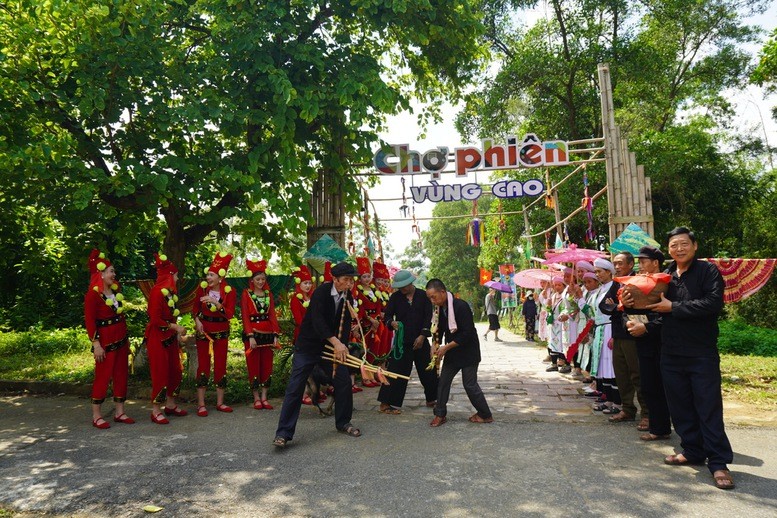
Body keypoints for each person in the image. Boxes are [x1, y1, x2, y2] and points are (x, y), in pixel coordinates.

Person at [646, 227, 734, 490]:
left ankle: (718, 463)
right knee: (680, 406)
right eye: (674, 245)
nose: (679, 249)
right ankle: (693, 450)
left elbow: (712, 304)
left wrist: (673, 307)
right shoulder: (666, 277)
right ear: (668, 249)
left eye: (684, 244)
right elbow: (655, 308)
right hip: (671, 352)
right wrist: (630, 303)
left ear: (695, 246)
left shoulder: (708, 272)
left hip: (701, 352)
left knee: (708, 407)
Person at [273, 262, 362, 447]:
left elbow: (344, 325)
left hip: (331, 348)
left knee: (343, 380)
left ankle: (343, 422)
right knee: (295, 386)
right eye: (346, 280)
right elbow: (318, 321)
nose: (349, 284)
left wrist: (342, 346)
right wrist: (336, 342)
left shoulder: (347, 295)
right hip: (308, 346)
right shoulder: (321, 293)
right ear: (335, 279)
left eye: (351, 280)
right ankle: (283, 433)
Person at [426, 278, 492, 427]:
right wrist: (434, 346)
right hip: (453, 353)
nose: (432, 300)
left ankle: (485, 414)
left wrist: (445, 348)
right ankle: (440, 414)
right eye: (429, 297)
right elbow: (438, 330)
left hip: (468, 351)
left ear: (442, 292)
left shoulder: (460, 306)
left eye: (433, 297)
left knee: (469, 384)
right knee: (443, 382)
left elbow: (467, 333)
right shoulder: (439, 309)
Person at [623, 246, 672, 441]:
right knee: (649, 383)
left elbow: (670, 313)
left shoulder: (667, 282)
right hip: (642, 339)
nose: (640, 265)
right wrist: (627, 318)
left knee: (665, 385)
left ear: (655, 263)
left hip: (663, 339)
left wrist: (649, 327)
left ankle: (668, 425)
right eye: (639, 261)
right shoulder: (636, 282)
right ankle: (658, 427)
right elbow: (627, 309)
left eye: (643, 261)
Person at [377, 269, 438, 414]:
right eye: (399, 286)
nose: (401, 289)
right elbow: (387, 316)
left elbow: (429, 317)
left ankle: (432, 398)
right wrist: (392, 323)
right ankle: (386, 403)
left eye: (404, 286)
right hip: (402, 342)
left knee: (428, 370)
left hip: (420, 341)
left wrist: (423, 336)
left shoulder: (423, 296)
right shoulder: (395, 297)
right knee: (396, 371)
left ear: (410, 283)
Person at [84, 249, 133, 429]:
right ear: (101, 273)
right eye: (111, 271)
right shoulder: (93, 295)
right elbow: (90, 322)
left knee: (121, 375)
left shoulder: (115, 291)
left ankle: (120, 412)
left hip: (120, 339)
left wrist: (126, 341)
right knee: (103, 376)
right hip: (104, 342)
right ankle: (97, 415)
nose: (114, 274)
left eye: (113, 271)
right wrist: (96, 344)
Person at [601, 251, 647, 426]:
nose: (617, 267)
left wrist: (617, 306)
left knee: (638, 374)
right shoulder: (615, 283)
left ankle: (647, 413)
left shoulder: (638, 282)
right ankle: (627, 409)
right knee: (621, 374)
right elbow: (604, 305)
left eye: (620, 263)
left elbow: (638, 305)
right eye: (615, 264)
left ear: (630, 265)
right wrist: (620, 306)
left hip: (633, 334)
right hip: (618, 334)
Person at [145, 253, 188, 424]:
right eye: (176, 275)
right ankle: (156, 410)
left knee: (175, 371)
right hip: (157, 339)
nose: (178, 279)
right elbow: (155, 319)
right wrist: (175, 327)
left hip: (170, 338)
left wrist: (176, 332)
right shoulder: (157, 292)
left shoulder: (170, 294)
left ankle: (170, 405)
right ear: (170, 276)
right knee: (160, 372)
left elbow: (171, 316)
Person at [192, 252, 236, 417]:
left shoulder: (229, 292)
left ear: (220, 277)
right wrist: (197, 321)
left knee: (220, 364)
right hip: (204, 330)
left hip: (222, 331)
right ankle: (201, 404)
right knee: (203, 365)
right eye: (207, 274)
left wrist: (217, 304)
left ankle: (220, 402)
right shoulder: (202, 288)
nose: (208, 277)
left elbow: (230, 314)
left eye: (211, 275)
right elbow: (195, 309)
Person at [242, 259, 281, 410]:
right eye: (257, 279)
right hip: (253, 335)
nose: (260, 282)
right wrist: (250, 335)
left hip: (268, 334)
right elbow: (245, 315)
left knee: (267, 365)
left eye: (263, 279)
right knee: (253, 365)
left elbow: (272, 315)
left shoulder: (268, 294)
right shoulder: (247, 294)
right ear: (252, 280)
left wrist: (276, 334)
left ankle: (265, 397)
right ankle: (256, 397)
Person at [290, 264, 320, 406]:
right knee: (303, 367)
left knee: (314, 366)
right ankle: (301, 394)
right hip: (302, 336)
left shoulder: (312, 298)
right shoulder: (296, 299)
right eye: (305, 283)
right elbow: (299, 320)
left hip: (315, 336)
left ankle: (313, 392)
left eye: (309, 283)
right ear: (299, 284)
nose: (308, 286)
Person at [353, 257, 384, 388]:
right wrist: (370, 319)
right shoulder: (358, 291)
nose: (367, 279)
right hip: (365, 324)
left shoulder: (374, 290)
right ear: (360, 278)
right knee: (364, 351)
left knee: (374, 350)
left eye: (368, 276)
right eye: (364, 276)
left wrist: (376, 320)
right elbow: (360, 309)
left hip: (375, 324)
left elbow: (378, 306)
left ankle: (371, 375)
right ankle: (365, 378)